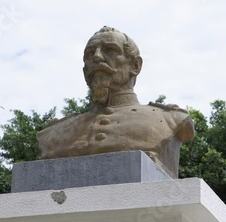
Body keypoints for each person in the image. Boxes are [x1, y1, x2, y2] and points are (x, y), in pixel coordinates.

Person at [36, 26, 194, 177]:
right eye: (90, 54)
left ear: (136, 65)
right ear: (84, 71)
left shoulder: (170, 120)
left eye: (110, 50)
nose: (97, 57)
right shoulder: (53, 134)